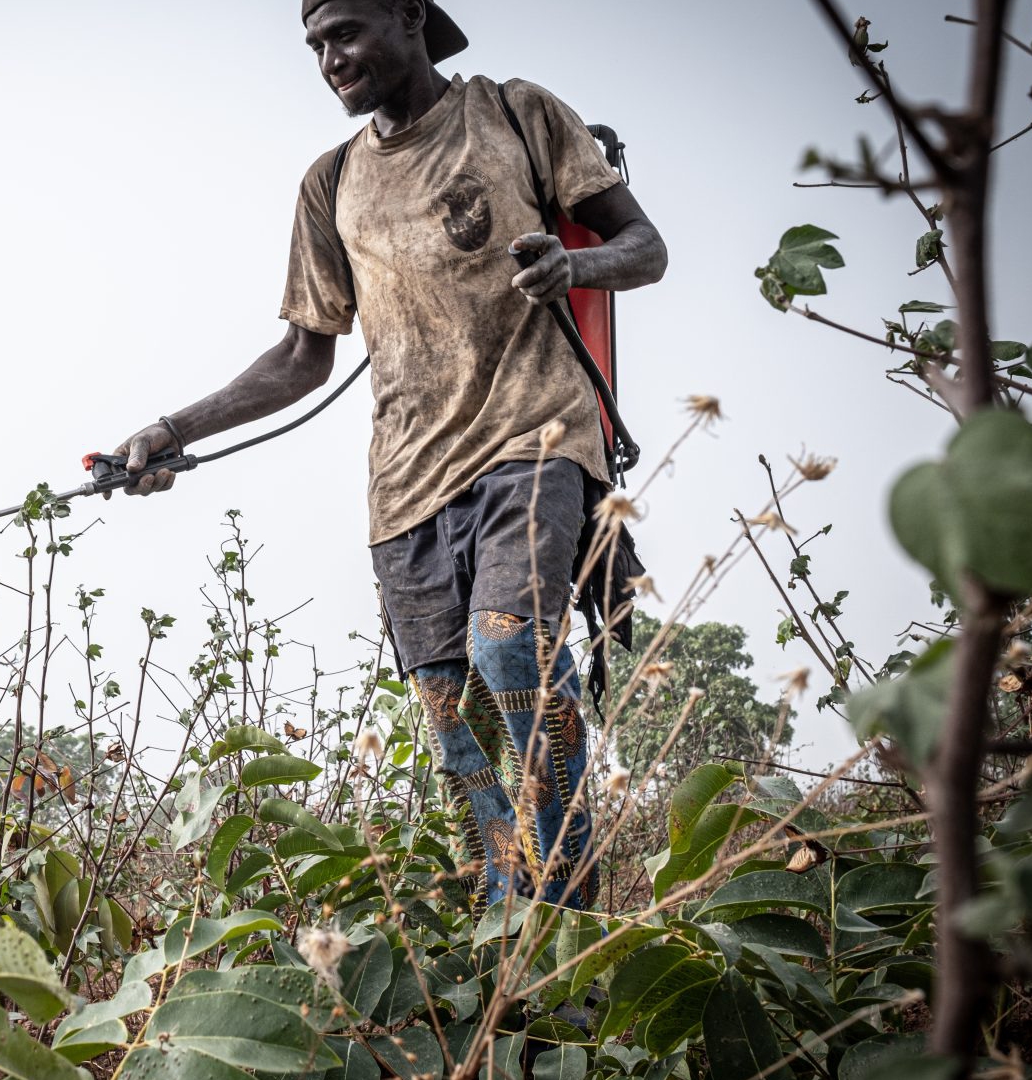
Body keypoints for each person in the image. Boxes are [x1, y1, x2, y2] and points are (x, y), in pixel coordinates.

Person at [106, 0, 667, 912]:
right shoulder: (329, 185)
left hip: (535, 436)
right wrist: (172, 431)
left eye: (347, 33)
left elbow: (645, 246)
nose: (331, 58)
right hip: (405, 488)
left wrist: (577, 267)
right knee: (457, 733)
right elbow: (301, 356)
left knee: (510, 649)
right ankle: (504, 939)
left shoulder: (516, 114)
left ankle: (568, 928)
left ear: (409, 18)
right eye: (317, 45)